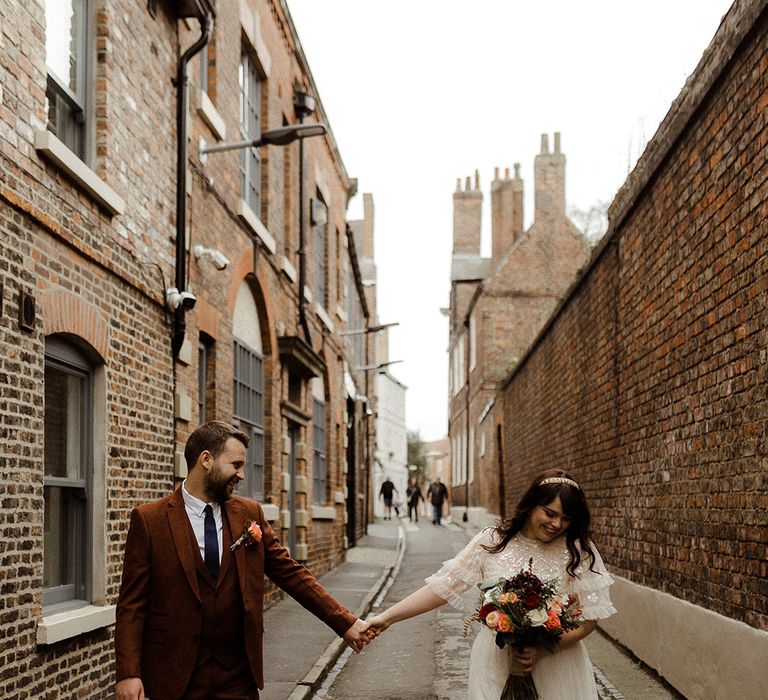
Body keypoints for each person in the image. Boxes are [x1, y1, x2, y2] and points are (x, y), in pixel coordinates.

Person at [115, 421, 372, 700]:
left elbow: (292, 575)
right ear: (206, 459)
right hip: (173, 677)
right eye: (236, 465)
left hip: (237, 677)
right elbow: (132, 604)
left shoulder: (249, 514)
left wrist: (345, 622)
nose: (241, 475)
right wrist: (129, 672)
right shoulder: (150, 520)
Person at [363, 469, 616, 699]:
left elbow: (588, 622)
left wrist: (542, 647)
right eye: (550, 513)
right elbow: (444, 586)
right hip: (496, 662)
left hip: (557, 666)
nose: (557, 524)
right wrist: (386, 618)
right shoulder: (493, 541)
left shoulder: (576, 551)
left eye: (566, 518)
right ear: (530, 505)